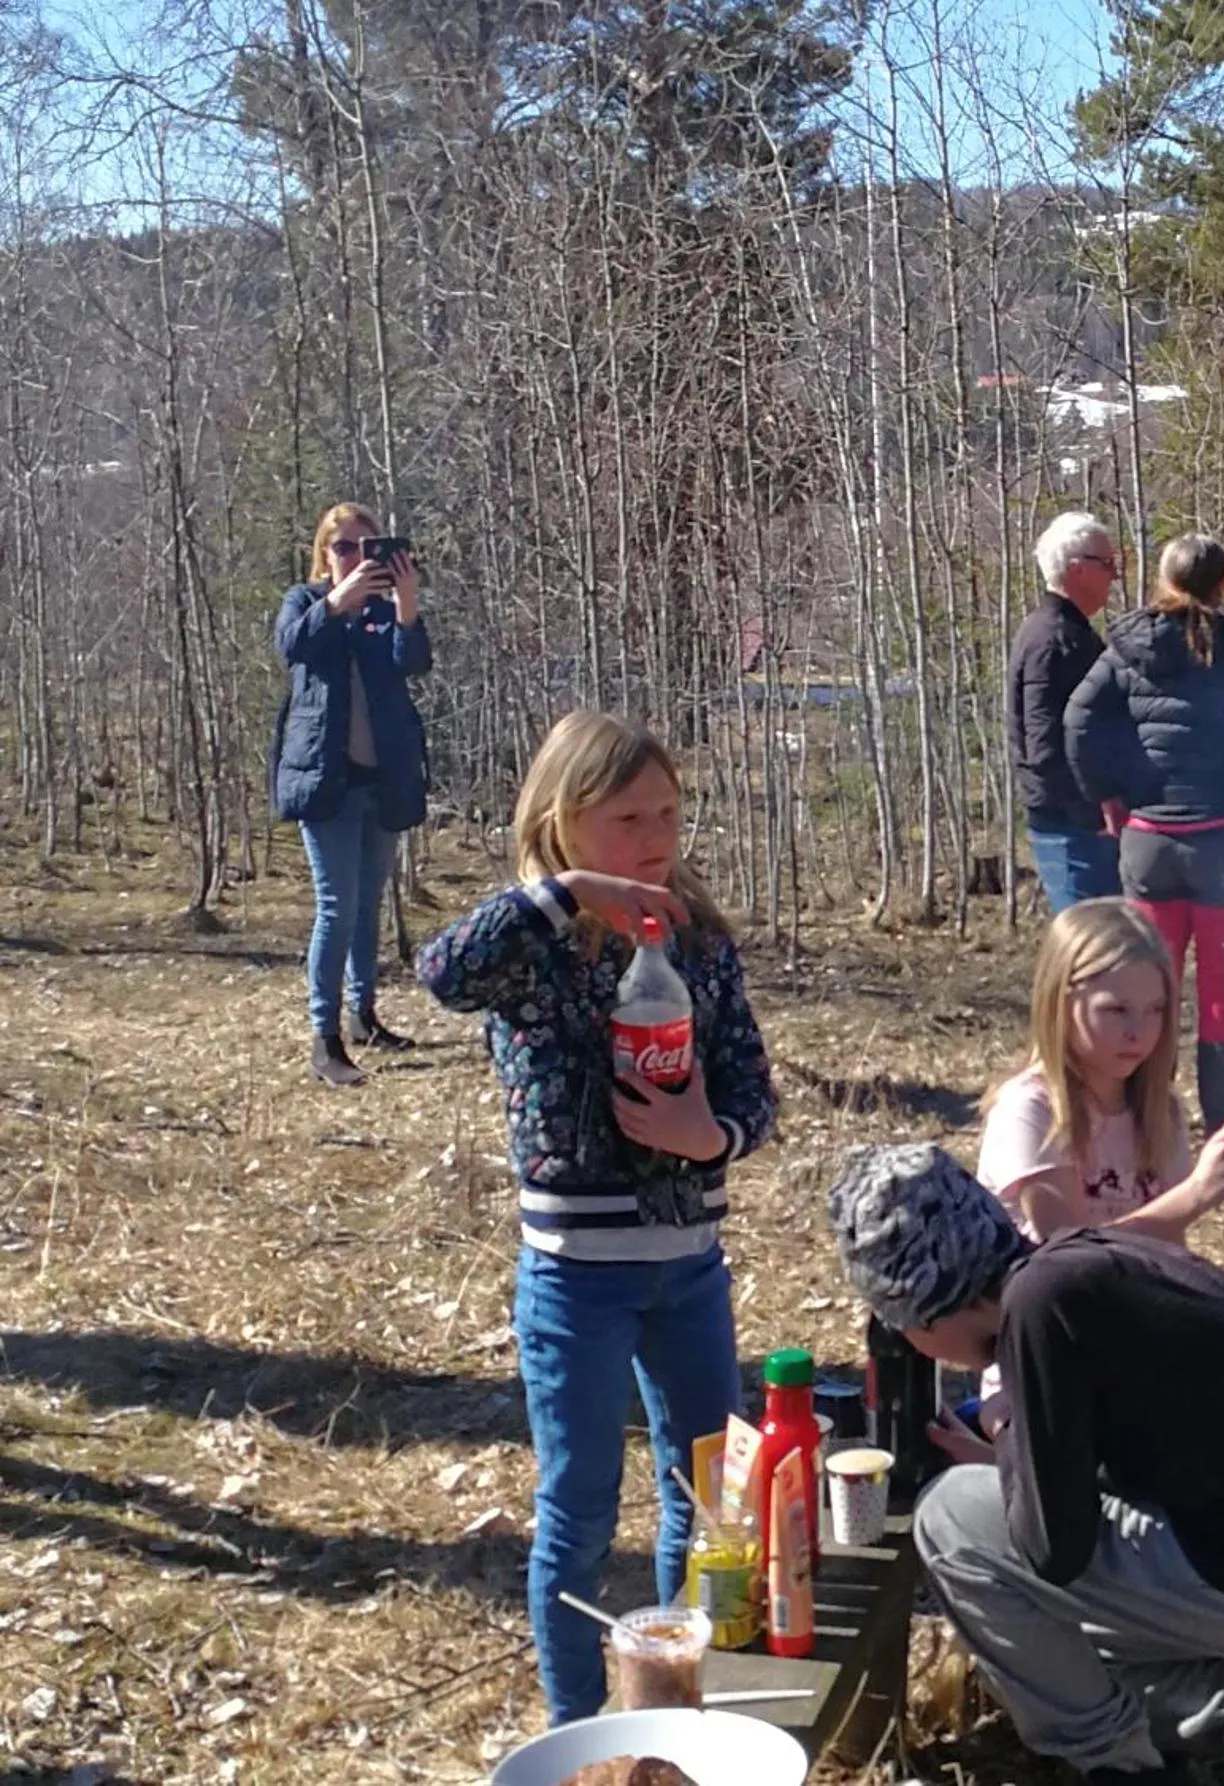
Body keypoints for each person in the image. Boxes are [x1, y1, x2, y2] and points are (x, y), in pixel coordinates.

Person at [829, 1143, 1224, 1786]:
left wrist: (1011, 1437)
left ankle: (1117, 1765)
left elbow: (1053, 1551)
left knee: (952, 1522)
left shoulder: (1041, 1307)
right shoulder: (1094, 1265)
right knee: (1057, 1655)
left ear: (926, 1306)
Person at [414, 712, 778, 1726]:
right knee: (577, 1508)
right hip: (575, 1275)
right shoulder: (532, 943)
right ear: (566, 821)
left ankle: (674, 1704)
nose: (657, 834)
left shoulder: (698, 937)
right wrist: (564, 896)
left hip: (690, 1265)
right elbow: (440, 974)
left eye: (669, 810)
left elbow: (755, 1087)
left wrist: (716, 1136)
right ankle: (578, 1727)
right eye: (628, 816)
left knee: (704, 1495)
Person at [1065, 533, 1224, 1131]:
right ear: (1222, 585)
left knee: (1147, 985)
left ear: (1164, 580)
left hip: (1147, 841)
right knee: (1220, 987)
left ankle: (1143, 1115)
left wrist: (1110, 796)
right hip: (1220, 840)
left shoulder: (1125, 648)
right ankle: (1222, 1120)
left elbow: (1079, 720)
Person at [977, 899, 1224, 1245]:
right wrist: (1195, 1194)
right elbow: (1068, 1253)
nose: (1137, 1031)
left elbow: (1169, 1251)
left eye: (1155, 1009)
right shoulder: (1030, 1109)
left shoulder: (1161, 1111)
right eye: (1116, 1009)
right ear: (1060, 1002)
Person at [272, 502, 433, 1086]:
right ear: (324, 555)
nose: (354, 557)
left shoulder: (388, 611)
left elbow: (413, 665)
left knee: (369, 906)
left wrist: (405, 609)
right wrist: (337, 604)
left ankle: (365, 1016)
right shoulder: (305, 602)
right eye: (342, 547)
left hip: (381, 778)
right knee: (336, 908)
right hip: (325, 780)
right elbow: (290, 647)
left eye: (367, 547)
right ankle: (326, 1036)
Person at [1012, 512, 1126, 911]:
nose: (1115, 576)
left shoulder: (1065, 633)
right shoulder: (1055, 642)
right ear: (1078, 570)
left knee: (1104, 952)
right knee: (1092, 955)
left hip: (1080, 825)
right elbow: (1045, 748)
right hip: (1073, 828)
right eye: (1108, 564)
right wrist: (1099, 807)